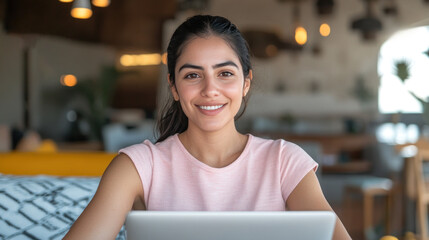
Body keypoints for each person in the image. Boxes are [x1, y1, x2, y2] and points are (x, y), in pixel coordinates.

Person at [64, 15, 351, 239]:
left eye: (225, 73)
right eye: (192, 75)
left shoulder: (284, 161)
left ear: (246, 83)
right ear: (173, 87)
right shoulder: (137, 167)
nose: (210, 90)